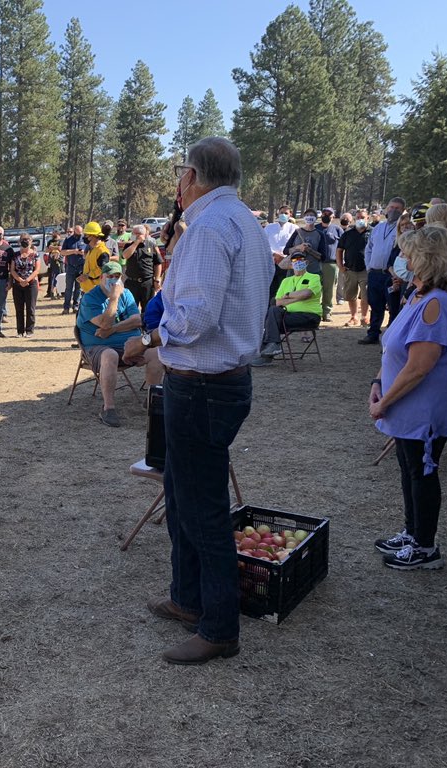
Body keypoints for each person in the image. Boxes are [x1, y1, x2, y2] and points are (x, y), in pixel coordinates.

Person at [141, 137, 273, 665]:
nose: (176, 183)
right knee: (182, 491)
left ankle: (218, 627)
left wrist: (152, 337)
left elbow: (195, 318)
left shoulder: (211, 228)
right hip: (216, 380)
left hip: (201, 383)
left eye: (179, 172)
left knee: (203, 508)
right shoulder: (241, 221)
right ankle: (189, 598)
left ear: (192, 175)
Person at [369, 226, 447, 570]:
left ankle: (425, 547)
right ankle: (412, 531)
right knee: (409, 466)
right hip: (410, 401)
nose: (403, 260)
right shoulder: (421, 294)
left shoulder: (438, 303)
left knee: (422, 470)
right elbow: (397, 346)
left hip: (427, 403)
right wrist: (378, 381)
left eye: (408, 254)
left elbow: (419, 367)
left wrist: (384, 403)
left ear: (425, 260)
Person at [77, 262, 164, 427]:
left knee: (157, 353)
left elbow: (138, 320)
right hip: (98, 348)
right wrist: (114, 298)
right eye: (109, 276)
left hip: (129, 344)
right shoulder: (90, 298)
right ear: (101, 277)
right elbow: (104, 323)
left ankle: (152, 399)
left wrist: (113, 329)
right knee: (110, 355)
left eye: (117, 277)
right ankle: (108, 408)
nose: (114, 280)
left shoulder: (127, 293)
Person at [250, 254, 322, 366]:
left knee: (272, 318)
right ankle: (271, 348)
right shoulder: (286, 281)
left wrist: (288, 295)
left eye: (300, 260)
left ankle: (267, 354)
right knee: (273, 312)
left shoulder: (314, 277)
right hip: (288, 316)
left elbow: (306, 294)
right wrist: (298, 298)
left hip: (309, 316)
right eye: (294, 260)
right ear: (291, 264)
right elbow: (277, 302)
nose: (297, 262)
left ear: (306, 263)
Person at [360, 197, 406, 345]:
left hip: (391, 275)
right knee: (375, 305)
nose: (393, 210)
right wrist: (369, 267)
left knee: (393, 307)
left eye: (397, 208)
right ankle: (373, 333)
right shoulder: (378, 228)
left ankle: (391, 339)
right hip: (374, 273)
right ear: (386, 209)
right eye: (391, 207)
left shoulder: (402, 229)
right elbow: (369, 248)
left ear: (403, 210)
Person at [337, 210, 371, 327]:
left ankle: (364, 317)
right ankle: (354, 316)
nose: (360, 219)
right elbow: (339, 250)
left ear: (368, 218)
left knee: (365, 295)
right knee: (350, 295)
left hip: (366, 270)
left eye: (363, 217)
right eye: (358, 217)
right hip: (350, 270)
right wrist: (340, 266)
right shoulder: (347, 234)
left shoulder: (372, 232)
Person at [121, 224, 162, 313]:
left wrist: (157, 279)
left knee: (148, 310)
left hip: (147, 283)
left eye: (134, 233)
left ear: (141, 234)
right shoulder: (129, 245)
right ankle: (132, 326)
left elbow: (158, 263)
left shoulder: (151, 245)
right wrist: (136, 242)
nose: (132, 235)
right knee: (130, 309)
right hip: (132, 283)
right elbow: (125, 255)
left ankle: (145, 327)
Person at [10, 234, 40, 338]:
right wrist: (20, 280)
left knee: (30, 308)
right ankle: (20, 331)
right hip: (18, 284)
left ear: (31, 241)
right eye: (23, 240)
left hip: (31, 284)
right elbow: (12, 270)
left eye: (27, 240)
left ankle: (29, 330)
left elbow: (37, 270)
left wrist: (27, 279)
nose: (25, 242)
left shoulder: (35, 255)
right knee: (19, 308)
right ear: (19, 242)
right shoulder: (15, 255)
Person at [282, 210, 325, 277]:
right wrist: (298, 247)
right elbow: (285, 251)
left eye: (312, 215)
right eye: (307, 215)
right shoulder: (297, 232)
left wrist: (309, 250)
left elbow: (323, 257)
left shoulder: (320, 234)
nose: (309, 217)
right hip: (295, 271)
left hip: (312, 271)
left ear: (316, 218)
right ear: (304, 217)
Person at [77, 221, 112, 293]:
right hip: (88, 289)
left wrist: (87, 276)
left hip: (97, 290)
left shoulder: (102, 251)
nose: (84, 237)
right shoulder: (92, 249)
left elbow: (103, 270)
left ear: (93, 236)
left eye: (86, 235)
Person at [61, 225, 86, 314]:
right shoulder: (68, 240)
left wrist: (83, 253)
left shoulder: (85, 239)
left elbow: (90, 251)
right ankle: (66, 307)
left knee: (78, 288)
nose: (80, 235)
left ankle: (76, 306)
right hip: (71, 267)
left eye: (81, 233)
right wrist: (74, 251)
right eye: (78, 233)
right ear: (74, 231)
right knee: (68, 288)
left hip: (81, 267)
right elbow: (62, 252)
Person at [44, 231, 63, 300]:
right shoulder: (50, 241)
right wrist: (54, 247)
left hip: (59, 261)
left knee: (60, 277)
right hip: (52, 262)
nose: (54, 237)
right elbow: (46, 250)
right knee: (53, 277)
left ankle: (59, 293)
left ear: (59, 235)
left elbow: (60, 248)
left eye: (55, 235)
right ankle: (52, 293)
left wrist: (52, 247)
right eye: (53, 235)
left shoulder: (61, 241)